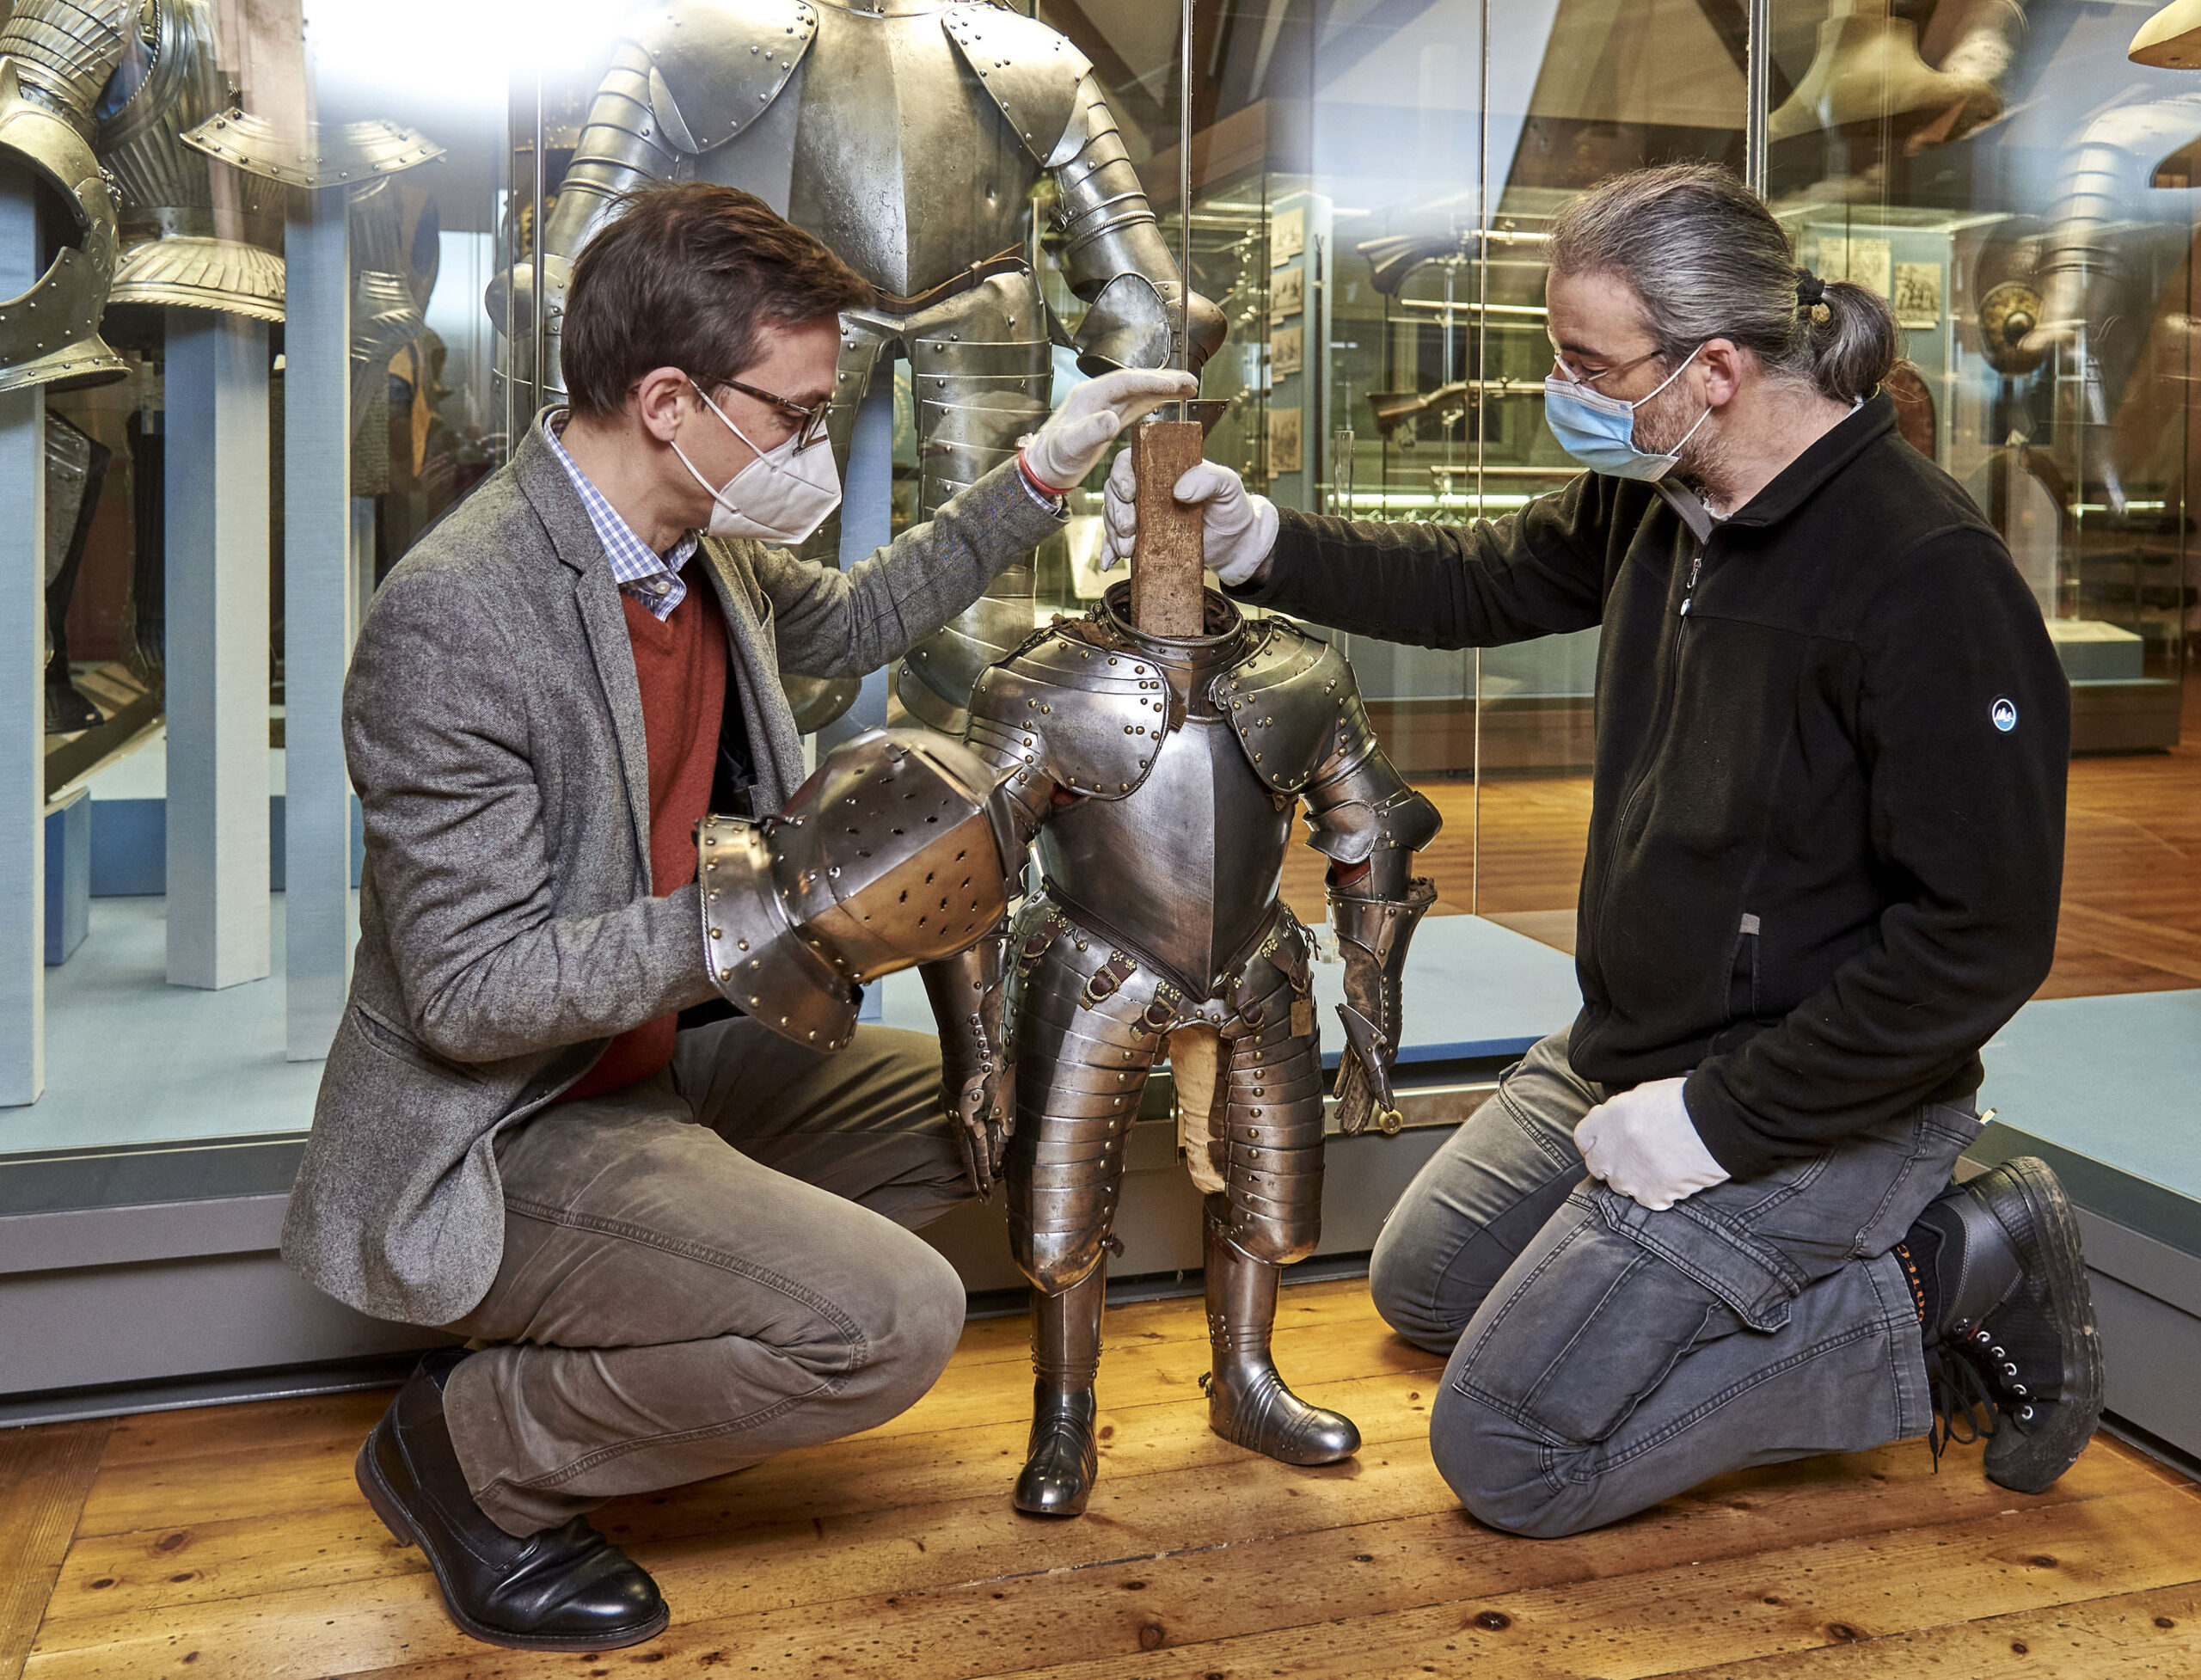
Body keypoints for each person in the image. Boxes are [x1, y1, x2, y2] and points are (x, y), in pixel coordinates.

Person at [1100, 163, 2101, 1538]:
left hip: (1811, 1094)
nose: (1562, 389)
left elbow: (1979, 940)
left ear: (1715, 368)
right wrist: (1260, 543)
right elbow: (1482, 580)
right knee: (1427, 1287)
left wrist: (1714, 1123)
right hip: (1634, 1040)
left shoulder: (1927, 577)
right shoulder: (1664, 487)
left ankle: (1946, 1268)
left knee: (1509, 1449)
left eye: (1586, 362)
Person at [279, 180, 1194, 1652]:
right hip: (516, 1115)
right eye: (796, 412)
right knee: (887, 1320)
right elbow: (466, 993)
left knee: (1012, 1101)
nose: (811, 447)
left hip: (679, 1060)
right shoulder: (457, 614)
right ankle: (476, 1450)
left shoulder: (699, 544)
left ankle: (679, 1270)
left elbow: (847, 619)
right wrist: (763, 906)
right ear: (666, 399)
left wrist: (1043, 471)